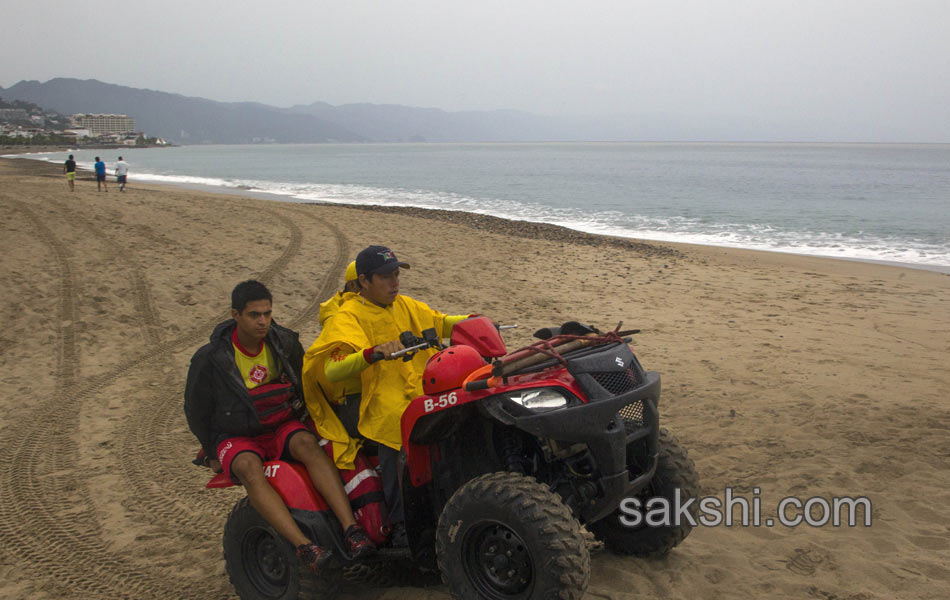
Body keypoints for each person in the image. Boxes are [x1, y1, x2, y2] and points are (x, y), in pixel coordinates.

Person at [184, 280, 375, 571]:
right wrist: (211, 451)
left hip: (280, 424)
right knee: (249, 468)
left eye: (267, 313)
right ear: (235, 315)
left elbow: (304, 383)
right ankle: (304, 547)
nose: (262, 321)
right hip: (236, 434)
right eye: (254, 315)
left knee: (309, 446)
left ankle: (352, 530)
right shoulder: (211, 358)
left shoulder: (284, 342)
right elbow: (195, 409)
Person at [303, 246, 476, 545]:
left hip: (406, 387)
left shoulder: (405, 305)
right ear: (364, 282)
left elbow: (440, 321)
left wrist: (474, 321)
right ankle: (402, 525)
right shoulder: (347, 316)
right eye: (385, 277)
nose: (394, 282)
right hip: (365, 399)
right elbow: (333, 370)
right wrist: (371, 354)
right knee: (395, 427)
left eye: (396, 275)